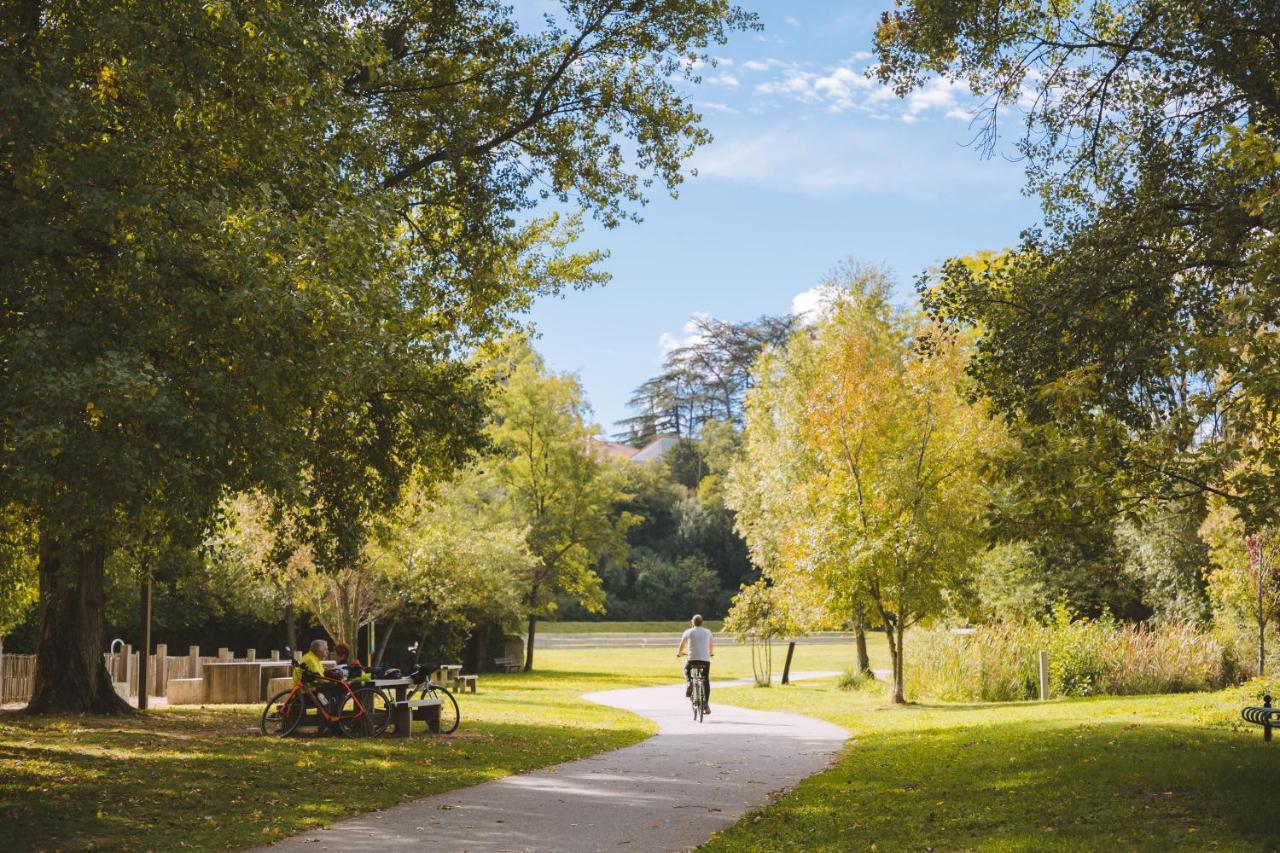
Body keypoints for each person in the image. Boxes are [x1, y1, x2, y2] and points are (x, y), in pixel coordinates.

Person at [676, 614, 714, 713]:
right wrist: (710, 653)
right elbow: (710, 646)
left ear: (692, 622)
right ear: (702, 622)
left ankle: (689, 682)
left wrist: (679, 653)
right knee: (705, 680)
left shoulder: (688, 632)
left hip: (692, 659)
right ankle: (705, 705)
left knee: (686, 669)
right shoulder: (708, 632)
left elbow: (682, 645)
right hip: (705, 660)